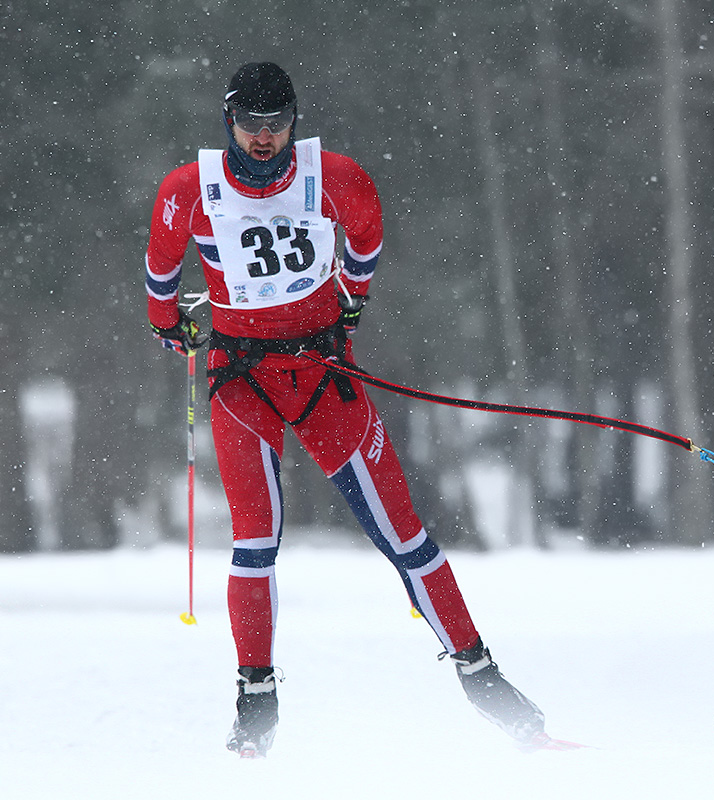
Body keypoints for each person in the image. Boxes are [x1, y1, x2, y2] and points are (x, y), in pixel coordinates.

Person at [144, 62, 545, 757]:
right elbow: (159, 268)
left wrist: (349, 305)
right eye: (250, 125)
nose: (264, 139)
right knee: (254, 540)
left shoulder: (335, 175)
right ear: (228, 122)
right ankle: (255, 700)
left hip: (324, 373)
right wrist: (168, 323)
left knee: (405, 535)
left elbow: (366, 241)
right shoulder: (189, 189)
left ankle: (482, 675)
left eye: (277, 125)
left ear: (294, 122)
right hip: (242, 381)